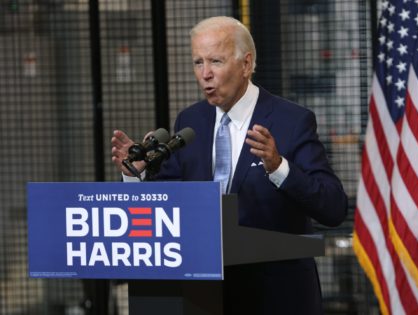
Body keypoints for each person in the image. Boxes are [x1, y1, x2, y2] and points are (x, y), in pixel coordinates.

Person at [112, 16, 347, 315]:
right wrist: (137, 173)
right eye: (198, 62)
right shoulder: (190, 122)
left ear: (246, 64)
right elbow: (168, 202)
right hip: (203, 296)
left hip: (276, 297)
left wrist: (278, 168)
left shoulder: (292, 121)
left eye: (216, 61)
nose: (205, 74)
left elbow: (333, 207)